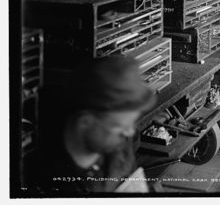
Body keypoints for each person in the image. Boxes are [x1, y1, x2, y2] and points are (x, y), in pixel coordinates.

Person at [38, 55, 156, 194]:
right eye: (121, 127)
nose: (130, 132)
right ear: (85, 122)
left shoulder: (119, 139)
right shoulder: (49, 181)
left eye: (132, 123)